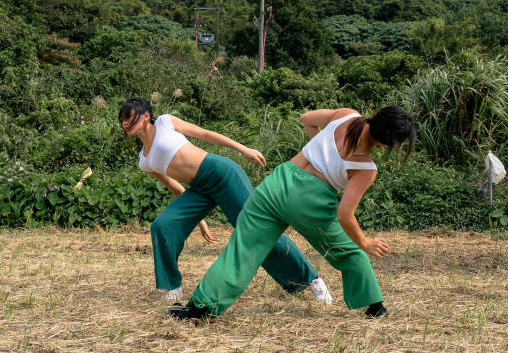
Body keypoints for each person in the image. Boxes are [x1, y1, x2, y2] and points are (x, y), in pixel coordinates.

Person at [170, 105, 416, 321]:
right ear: (390, 143)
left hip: (278, 181)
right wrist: (365, 242)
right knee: (350, 251)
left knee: (242, 249)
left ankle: (200, 308)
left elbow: (306, 118)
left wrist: (318, 146)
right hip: (311, 200)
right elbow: (345, 214)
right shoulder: (366, 167)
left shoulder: (346, 115)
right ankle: (375, 306)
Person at [118, 97, 332, 304]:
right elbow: (175, 187)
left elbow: (205, 134)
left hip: (221, 173)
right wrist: (200, 222)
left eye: (130, 117)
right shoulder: (144, 160)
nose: (126, 123)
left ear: (146, 115)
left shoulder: (165, 122)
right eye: (123, 120)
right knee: (162, 225)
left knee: (256, 230)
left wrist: (243, 149)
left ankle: (311, 279)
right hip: (200, 188)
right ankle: (172, 287)